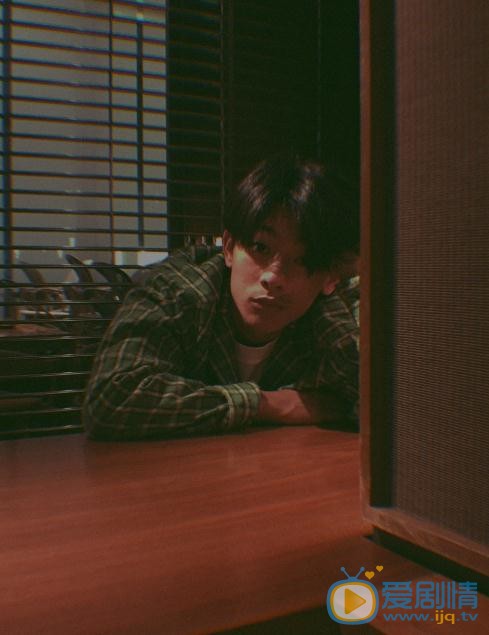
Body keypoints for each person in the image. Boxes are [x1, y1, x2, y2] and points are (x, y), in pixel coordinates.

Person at [83, 156, 359, 440]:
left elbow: (380, 399)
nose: (273, 277)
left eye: (302, 260)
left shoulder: (327, 311)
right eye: (260, 247)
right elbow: (111, 398)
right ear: (228, 247)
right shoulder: (178, 291)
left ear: (329, 277)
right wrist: (267, 404)